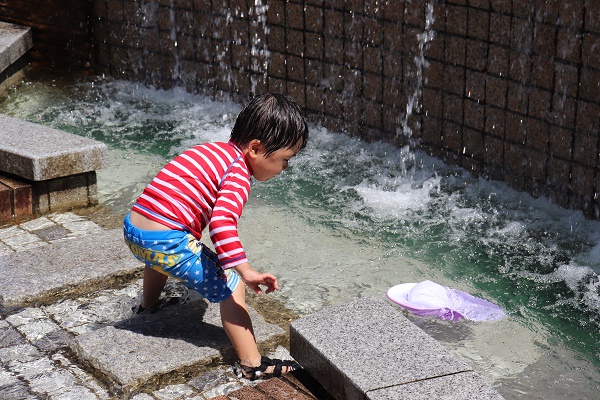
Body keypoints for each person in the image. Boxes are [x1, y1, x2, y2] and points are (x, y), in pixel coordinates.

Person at [123, 93, 309, 380]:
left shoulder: (211, 150)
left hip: (135, 230)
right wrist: (245, 271)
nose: (284, 169)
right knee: (232, 287)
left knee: (160, 258)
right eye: (284, 160)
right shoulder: (237, 174)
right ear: (256, 149)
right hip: (166, 239)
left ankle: (148, 307)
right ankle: (253, 364)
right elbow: (222, 224)